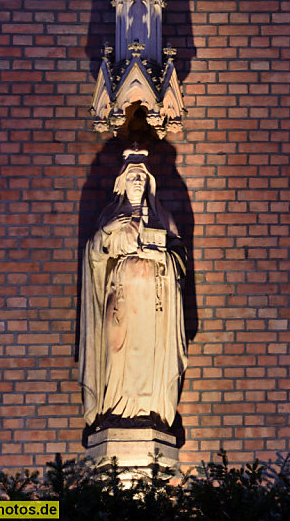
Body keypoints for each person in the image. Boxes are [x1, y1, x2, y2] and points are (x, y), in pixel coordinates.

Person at [80, 148, 187, 429]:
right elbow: (93, 259)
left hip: (153, 306)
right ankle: (114, 410)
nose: (137, 181)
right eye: (132, 177)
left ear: (149, 182)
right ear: (122, 183)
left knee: (149, 356)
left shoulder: (162, 217)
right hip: (120, 303)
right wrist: (106, 231)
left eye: (141, 176)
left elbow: (179, 259)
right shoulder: (110, 216)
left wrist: (161, 256)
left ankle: (148, 411)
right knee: (116, 354)